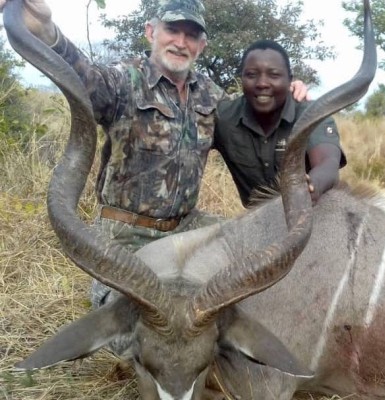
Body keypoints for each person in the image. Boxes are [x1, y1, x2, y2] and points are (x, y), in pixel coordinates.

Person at [0, 0, 308, 307]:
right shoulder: (124, 80)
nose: (180, 42)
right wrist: (46, 30)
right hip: (126, 236)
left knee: (253, 261)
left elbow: (251, 114)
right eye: (172, 30)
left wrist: (286, 93)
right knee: (140, 319)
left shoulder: (210, 94)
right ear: (151, 32)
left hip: (188, 229)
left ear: (201, 46)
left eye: (191, 35)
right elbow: (84, 74)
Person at [214, 39, 346, 207]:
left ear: (289, 80)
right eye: (251, 75)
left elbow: (328, 163)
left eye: (274, 75)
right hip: (256, 219)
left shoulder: (311, 114)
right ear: (242, 78)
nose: (262, 83)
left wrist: (310, 187)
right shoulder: (223, 117)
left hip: (311, 212)